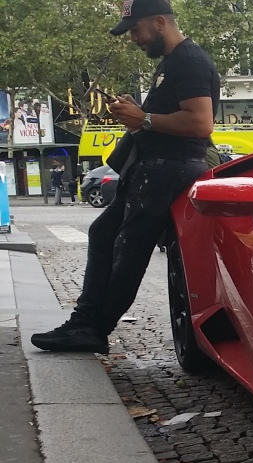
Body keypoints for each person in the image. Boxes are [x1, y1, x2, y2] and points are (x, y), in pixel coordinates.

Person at [31, 0, 219, 353]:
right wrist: (140, 111)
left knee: (128, 251)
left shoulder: (189, 61)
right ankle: (86, 323)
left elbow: (200, 123)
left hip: (168, 170)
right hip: (155, 169)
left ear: (160, 22)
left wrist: (143, 119)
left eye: (137, 30)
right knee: (104, 234)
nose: (134, 38)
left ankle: (94, 328)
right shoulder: (171, 62)